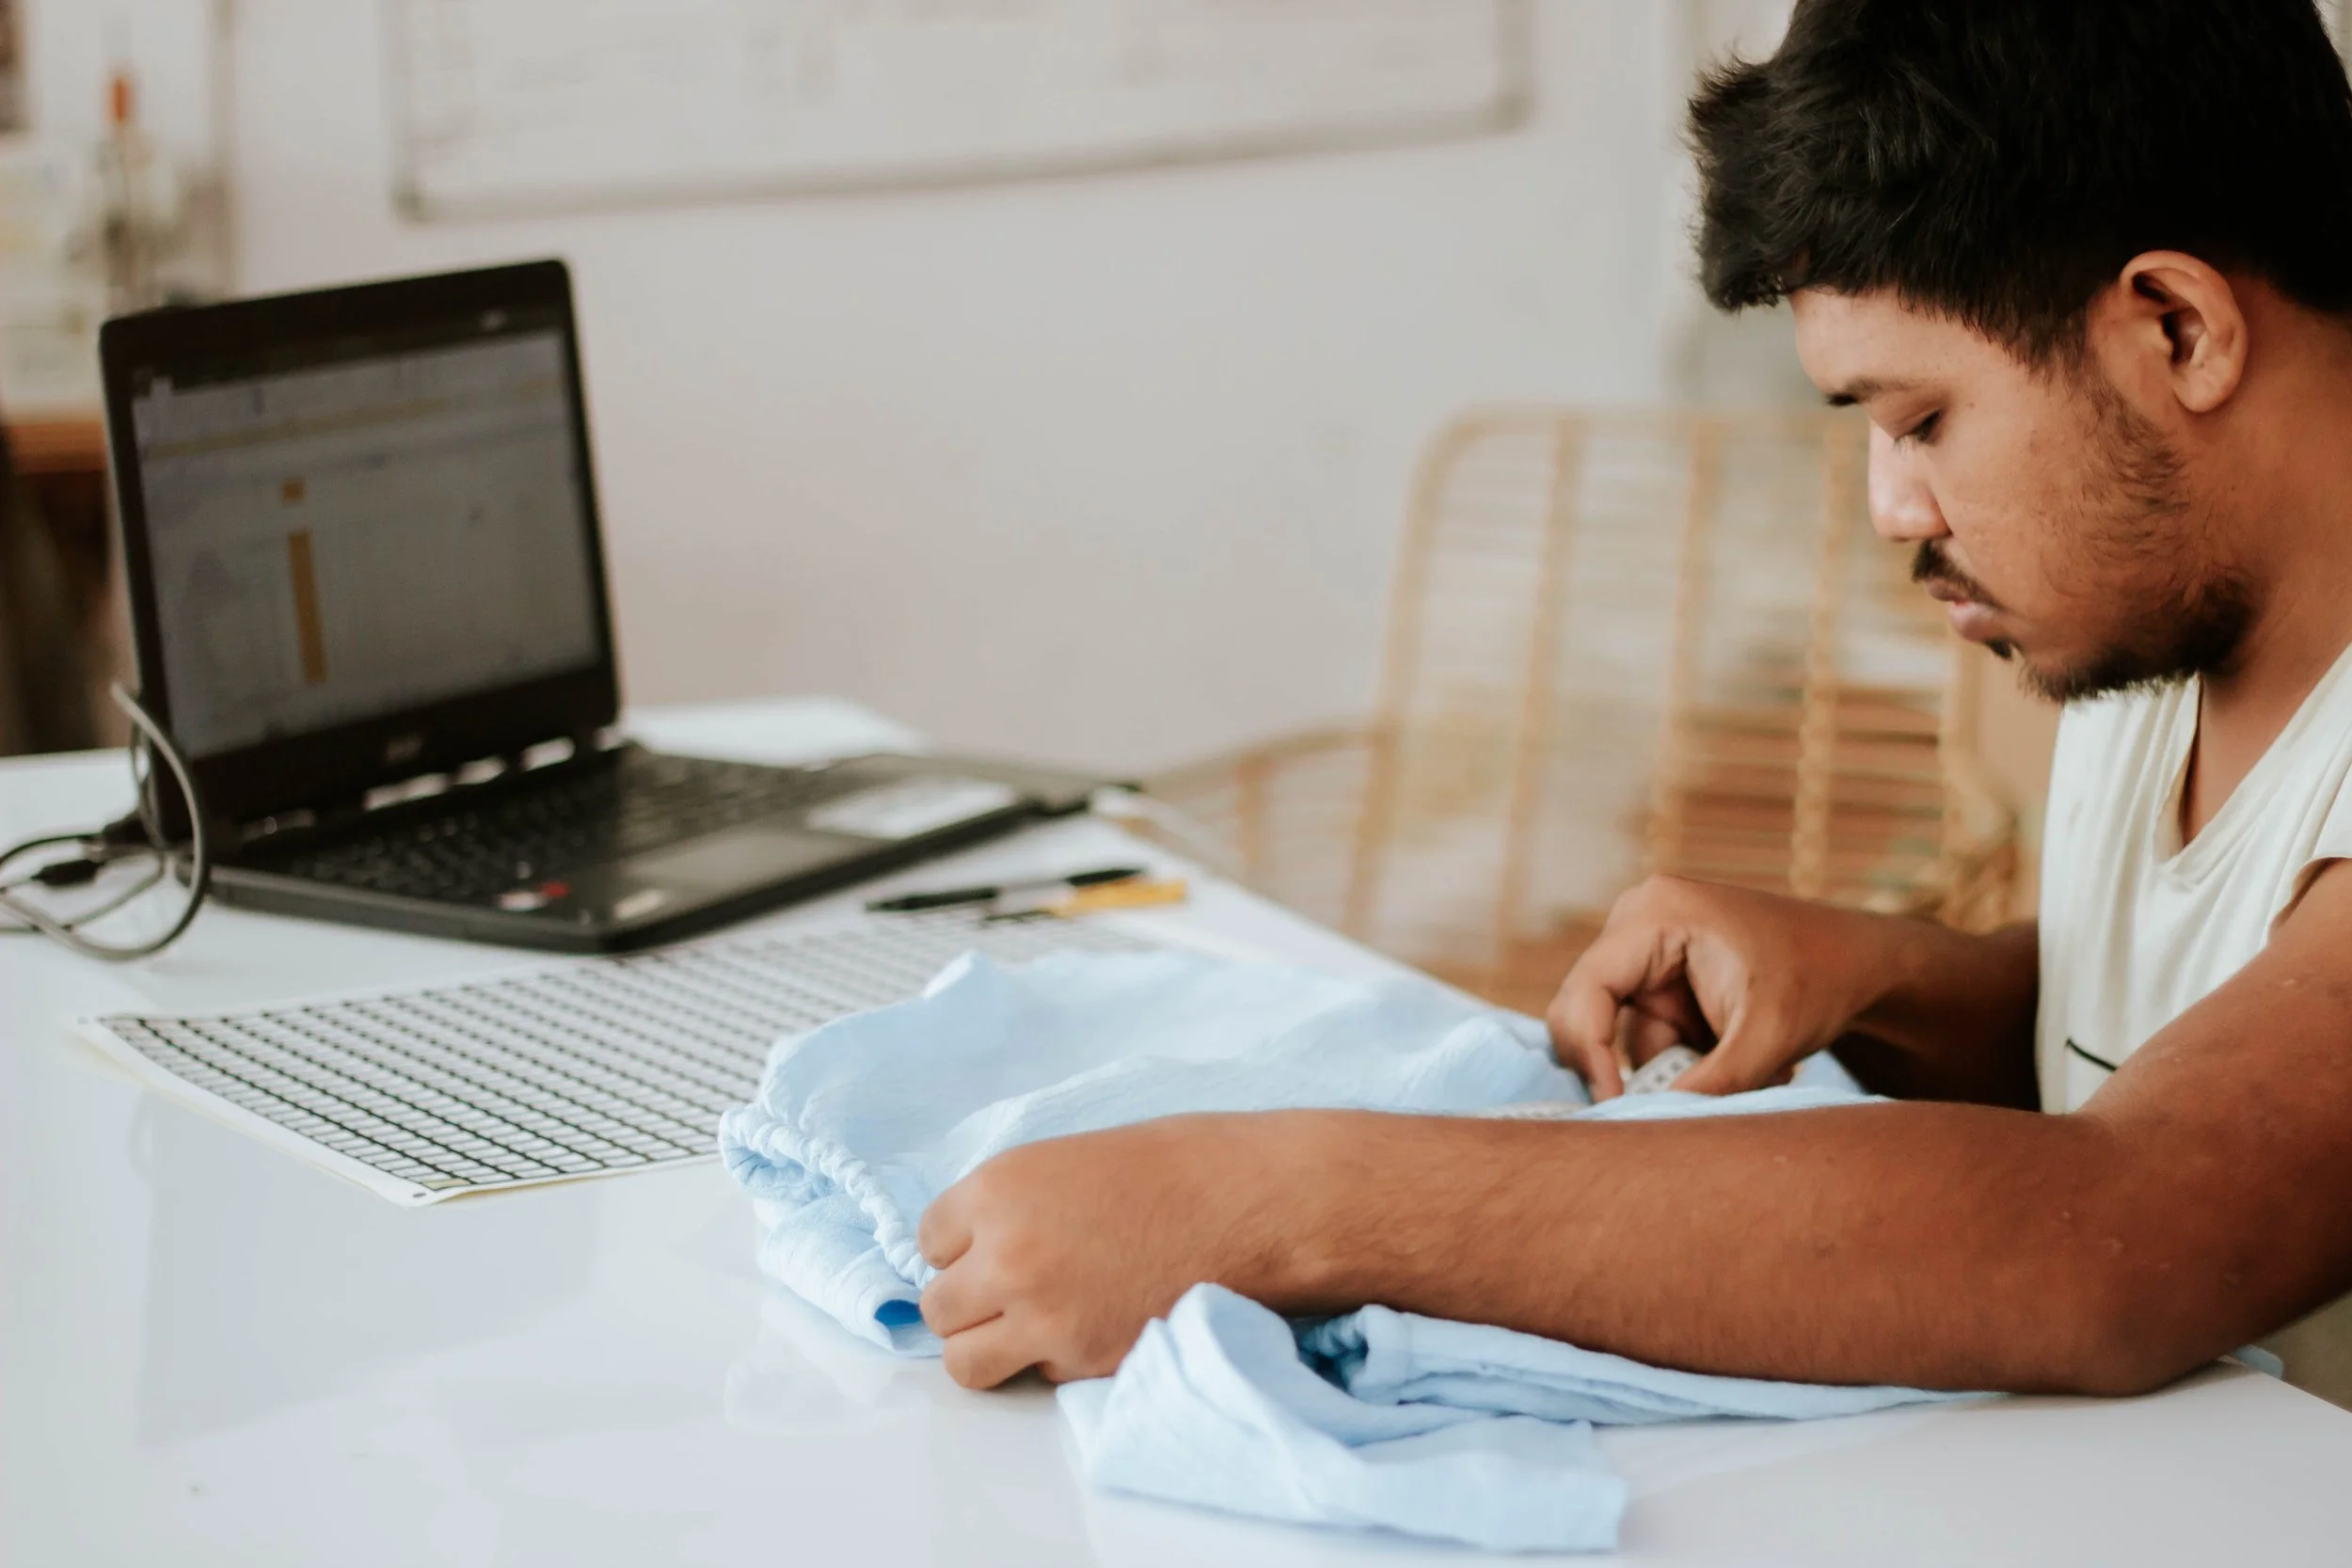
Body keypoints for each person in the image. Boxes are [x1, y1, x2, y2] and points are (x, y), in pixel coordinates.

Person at [916, 0, 2352, 1397]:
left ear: (2177, 328)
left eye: (1922, 420)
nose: (1894, 510)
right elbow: (2183, 1038)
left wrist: (1272, 1204)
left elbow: (2125, 1228)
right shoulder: (2157, 615)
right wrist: (1885, 982)